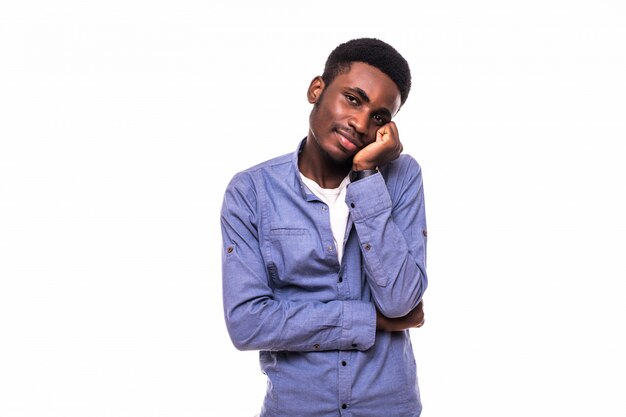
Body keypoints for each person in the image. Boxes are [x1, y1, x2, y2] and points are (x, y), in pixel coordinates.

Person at [220, 37, 428, 417]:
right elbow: (248, 323)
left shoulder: (401, 177)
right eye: (353, 98)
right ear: (317, 89)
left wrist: (367, 176)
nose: (361, 123)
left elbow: (401, 301)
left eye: (380, 117)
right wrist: (372, 321)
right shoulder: (251, 192)